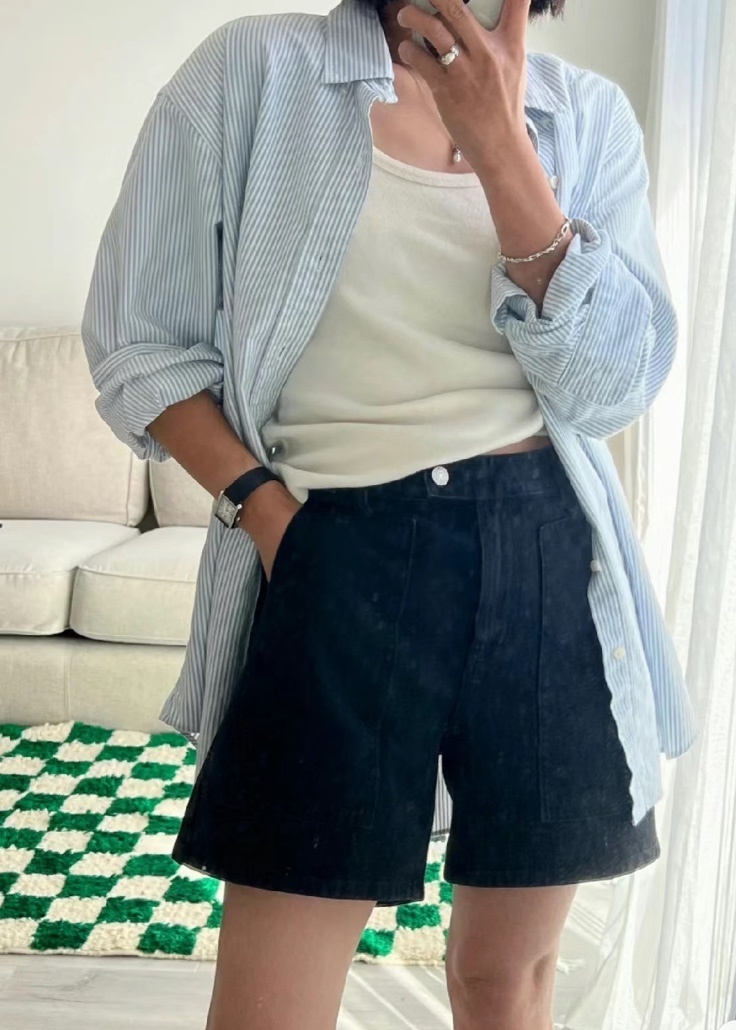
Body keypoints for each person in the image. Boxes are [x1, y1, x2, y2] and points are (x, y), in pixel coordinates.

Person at [80, 0, 699, 1026]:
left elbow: (609, 391)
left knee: (508, 981)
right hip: (339, 552)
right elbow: (137, 342)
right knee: (271, 1006)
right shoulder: (256, 72)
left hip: (550, 565)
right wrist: (264, 512)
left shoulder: (587, 118)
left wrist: (503, 149)